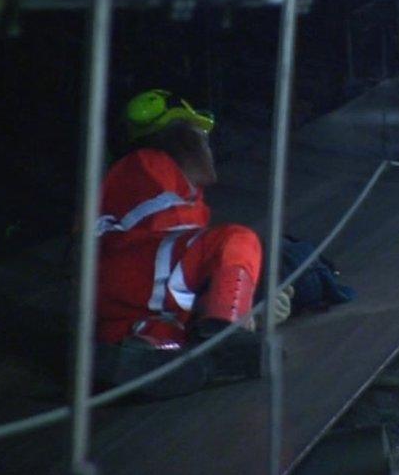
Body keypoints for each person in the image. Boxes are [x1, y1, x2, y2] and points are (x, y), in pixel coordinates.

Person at [93, 89, 272, 396]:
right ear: (183, 139)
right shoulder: (150, 163)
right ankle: (225, 335)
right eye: (202, 136)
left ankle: (147, 354)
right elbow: (173, 240)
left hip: (122, 305)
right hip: (131, 269)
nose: (209, 147)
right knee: (237, 240)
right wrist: (239, 311)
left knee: (173, 336)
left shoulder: (144, 174)